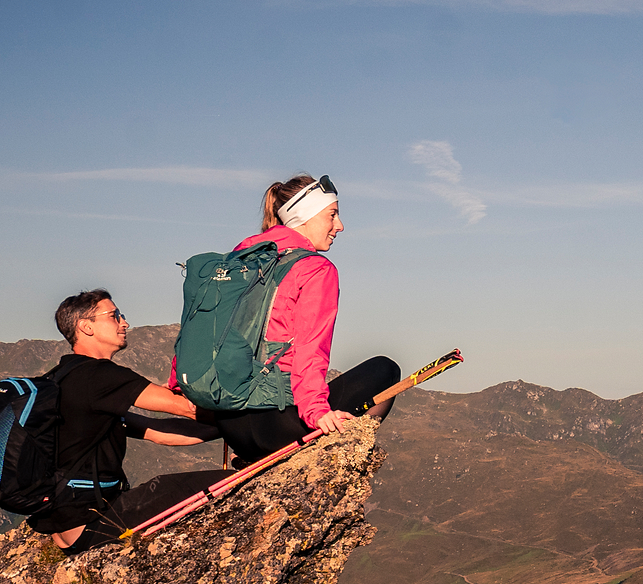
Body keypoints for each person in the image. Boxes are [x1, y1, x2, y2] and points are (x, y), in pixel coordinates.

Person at [178, 174, 400, 468]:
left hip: (231, 426)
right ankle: (330, 456)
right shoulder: (314, 269)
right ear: (304, 216)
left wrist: (180, 387)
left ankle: (250, 458)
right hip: (277, 428)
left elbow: (200, 327)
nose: (340, 225)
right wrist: (317, 412)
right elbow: (310, 351)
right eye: (332, 215)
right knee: (385, 369)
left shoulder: (239, 258)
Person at [27, 290, 225, 554]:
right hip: (94, 526)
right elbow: (185, 408)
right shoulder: (99, 376)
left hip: (68, 531)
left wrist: (225, 429)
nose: (124, 322)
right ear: (86, 327)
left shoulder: (61, 376)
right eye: (114, 316)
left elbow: (161, 432)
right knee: (234, 483)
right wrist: (249, 421)